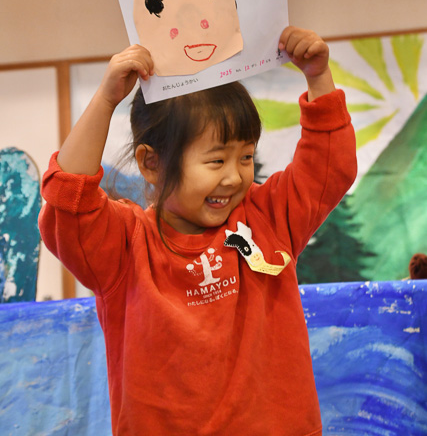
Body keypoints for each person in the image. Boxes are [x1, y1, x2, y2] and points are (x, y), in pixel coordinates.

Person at [38, 26, 357, 436]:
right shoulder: (124, 246)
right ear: (152, 163)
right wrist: (105, 99)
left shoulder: (268, 218)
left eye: (245, 157)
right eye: (216, 161)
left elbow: (329, 167)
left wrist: (318, 77)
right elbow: (69, 206)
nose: (234, 177)